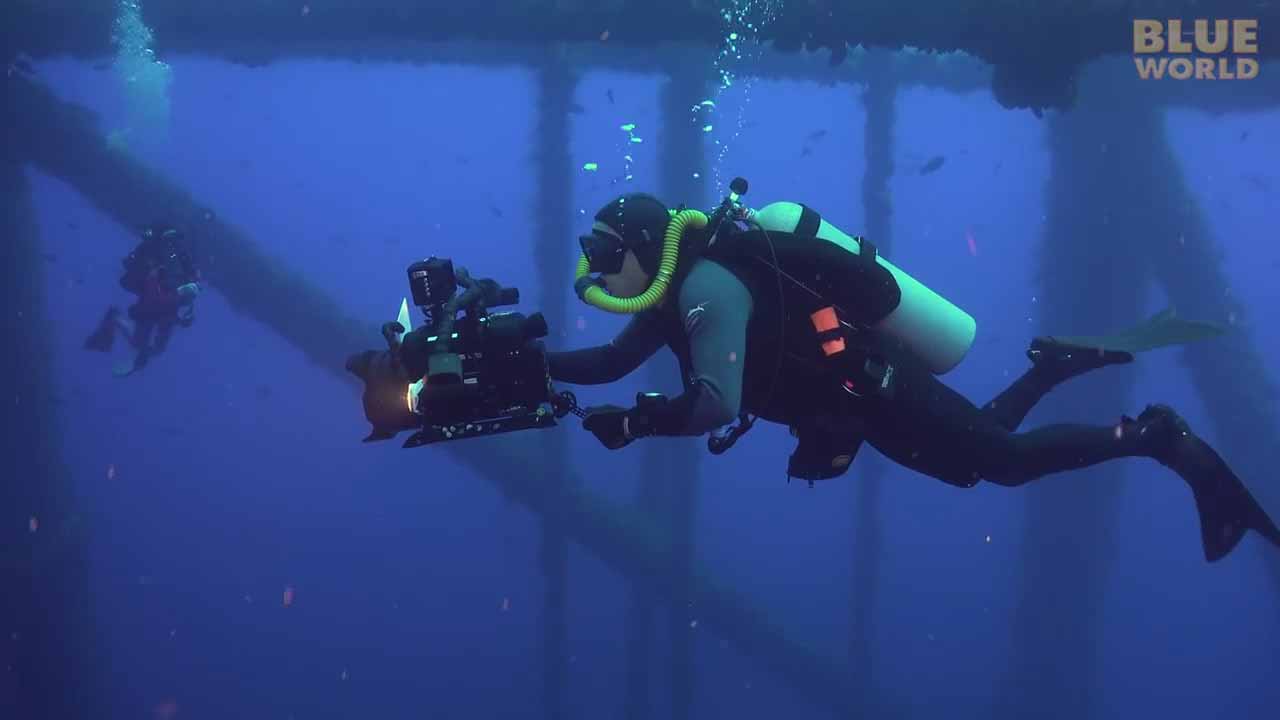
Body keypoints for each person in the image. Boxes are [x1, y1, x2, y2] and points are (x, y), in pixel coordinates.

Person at [547, 190, 1280, 563]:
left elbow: (712, 404)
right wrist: (528, 364)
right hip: (851, 401)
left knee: (1004, 463)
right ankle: (1054, 369)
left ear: (648, 247)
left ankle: (1154, 436)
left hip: (872, 384)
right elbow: (610, 362)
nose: (598, 269)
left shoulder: (708, 289)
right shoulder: (673, 297)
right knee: (978, 460)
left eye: (606, 252)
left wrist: (640, 422)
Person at [84, 224, 202, 376]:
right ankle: (117, 320)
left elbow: (187, 294)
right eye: (170, 243)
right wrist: (180, 302)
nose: (172, 247)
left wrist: (185, 314)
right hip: (152, 308)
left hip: (167, 309)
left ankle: (140, 355)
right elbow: (154, 295)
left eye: (175, 243)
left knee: (155, 347)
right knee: (141, 343)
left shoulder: (181, 261)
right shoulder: (159, 262)